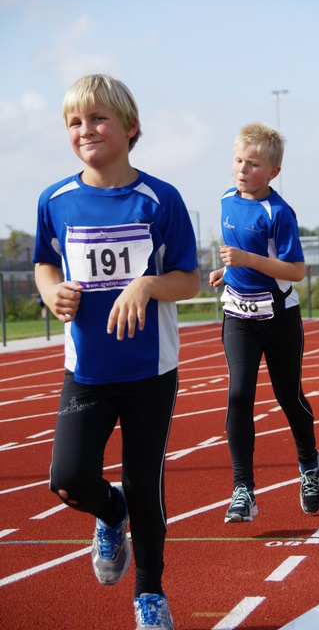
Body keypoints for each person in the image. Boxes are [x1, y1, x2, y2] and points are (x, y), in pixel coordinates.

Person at [33, 74, 199, 629]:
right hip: (88, 370)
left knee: (144, 481)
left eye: (99, 118)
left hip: (150, 370)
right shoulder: (55, 200)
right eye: (75, 122)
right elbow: (44, 262)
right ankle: (110, 512)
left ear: (130, 128)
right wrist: (49, 289)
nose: (86, 130)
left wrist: (147, 284)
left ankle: (149, 596)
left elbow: (189, 280)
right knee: (69, 478)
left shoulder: (159, 199)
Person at [209, 122, 319, 524]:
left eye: (253, 164)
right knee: (239, 395)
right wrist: (225, 273)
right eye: (239, 160)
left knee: (287, 396)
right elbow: (238, 254)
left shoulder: (278, 212)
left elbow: (295, 270)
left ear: (273, 172)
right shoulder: (226, 199)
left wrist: (245, 261)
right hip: (237, 314)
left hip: (278, 318)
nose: (242, 169)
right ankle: (243, 489)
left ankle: (310, 465)